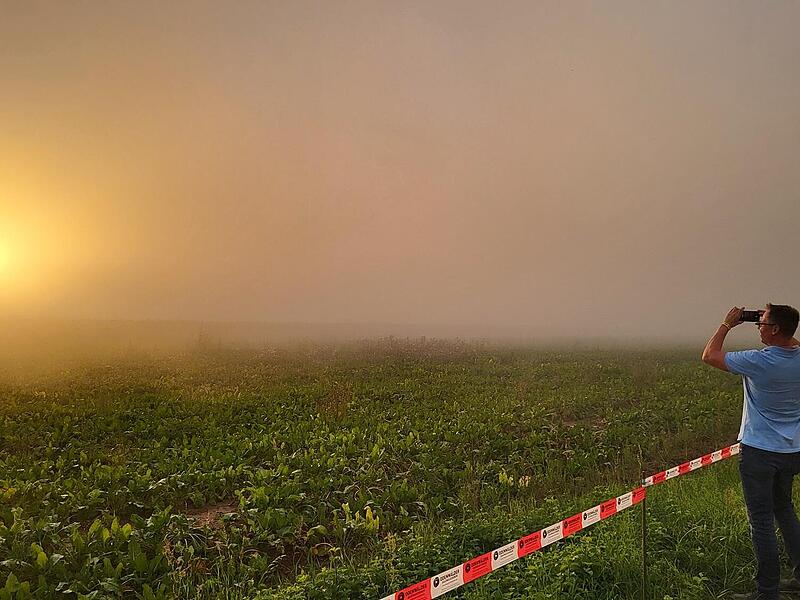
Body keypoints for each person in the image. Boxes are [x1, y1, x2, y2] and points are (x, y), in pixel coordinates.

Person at [702, 303, 800, 600]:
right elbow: (791, 342)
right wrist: (778, 326)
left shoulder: (759, 361)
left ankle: (767, 592)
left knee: (761, 522)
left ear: (775, 330)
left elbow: (709, 355)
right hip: (792, 451)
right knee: (784, 509)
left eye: (763, 323)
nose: (758, 326)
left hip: (760, 452)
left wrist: (727, 323)